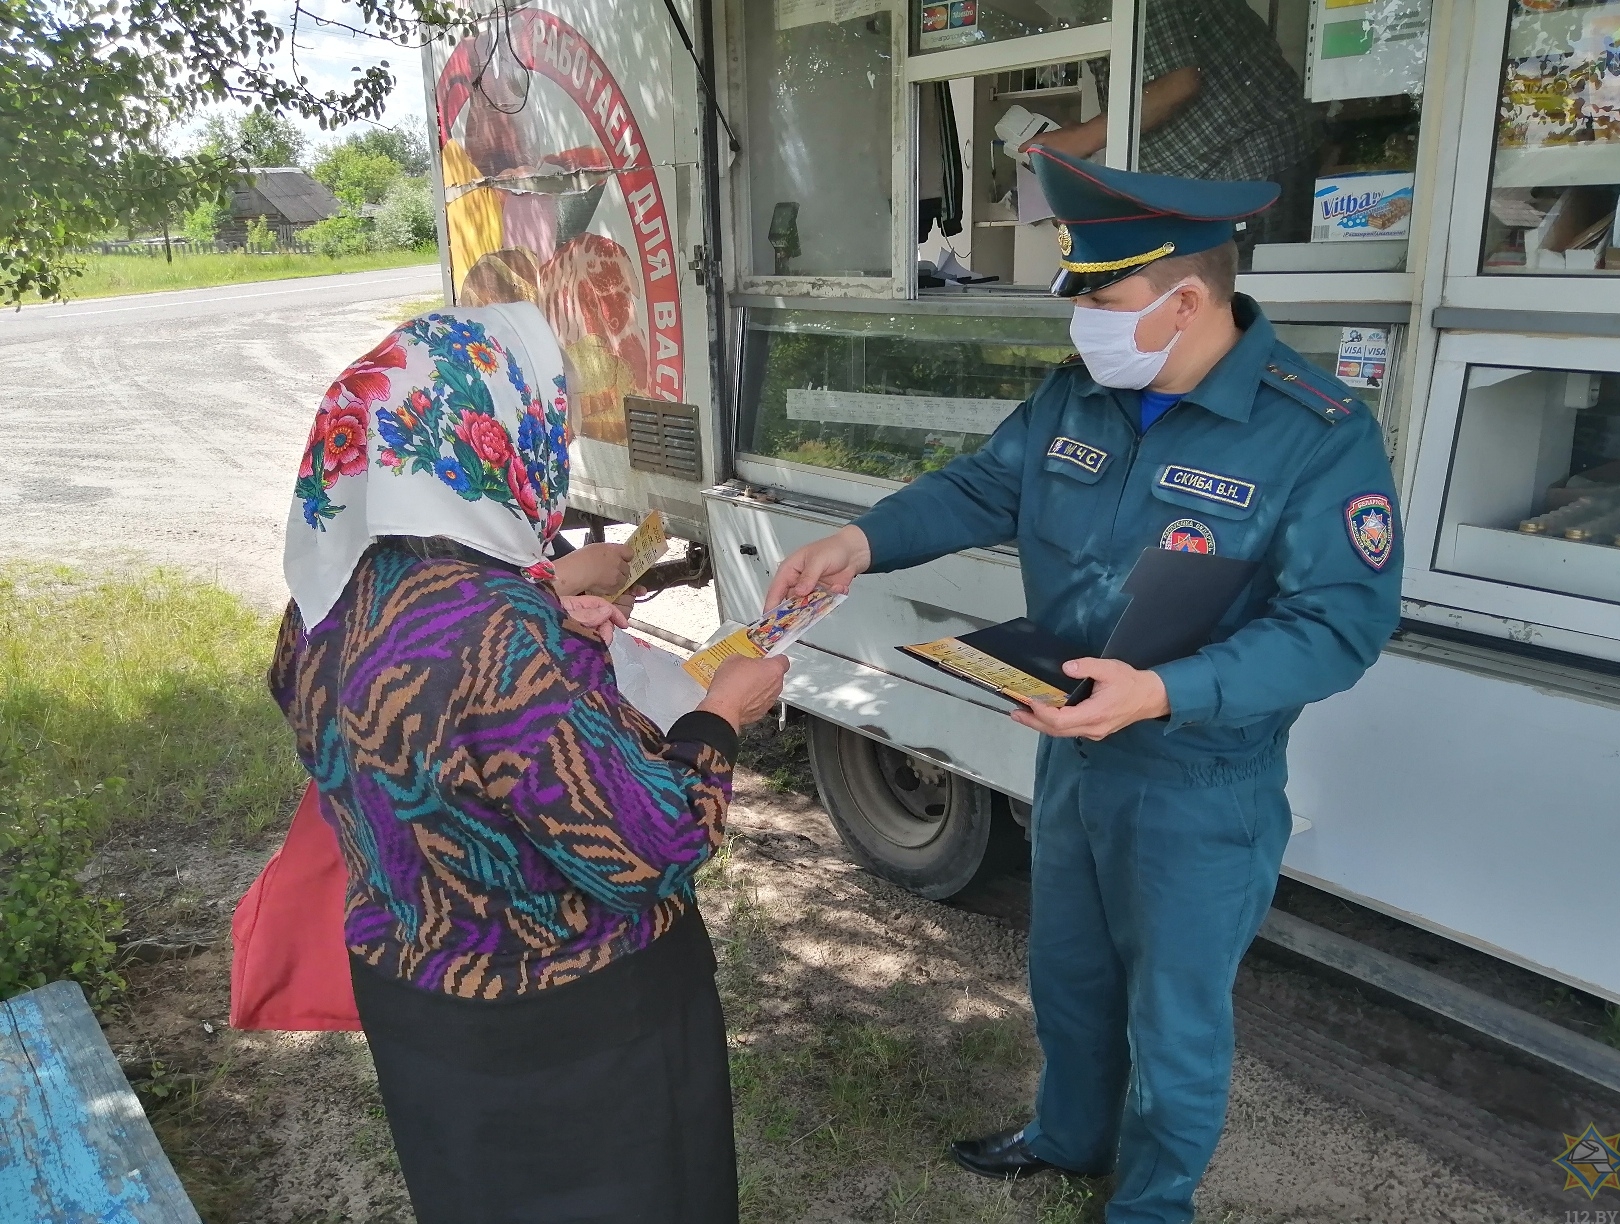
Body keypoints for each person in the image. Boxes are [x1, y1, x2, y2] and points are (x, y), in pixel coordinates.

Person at [763, 150, 1401, 1223]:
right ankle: (1067, 1135)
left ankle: (1151, 1205)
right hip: (1073, 752)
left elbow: (1342, 626)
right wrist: (863, 540)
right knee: (1069, 974)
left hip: (1200, 781)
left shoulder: (1316, 434)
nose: (1081, 322)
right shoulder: (1088, 392)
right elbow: (981, 486)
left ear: (1186, 300)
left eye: (1103, 297)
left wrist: (1164, 691)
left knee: (1175, 1019)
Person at [270, 301, 787, 1223]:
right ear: (499, 438)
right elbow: (651, 845)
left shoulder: (325, 597)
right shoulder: (498, 634)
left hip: (418, 999)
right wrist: (721, 714)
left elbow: (417, 738)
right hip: (573, 1027)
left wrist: (545, 610)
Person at [1025, 0, 1323, 251]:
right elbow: (1141, 103)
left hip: (1250, 166)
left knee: (1234, 299)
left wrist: (1081, 138)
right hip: (1208, 186)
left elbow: (1179, 83)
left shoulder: (1124, 6)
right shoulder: (1099, 11)